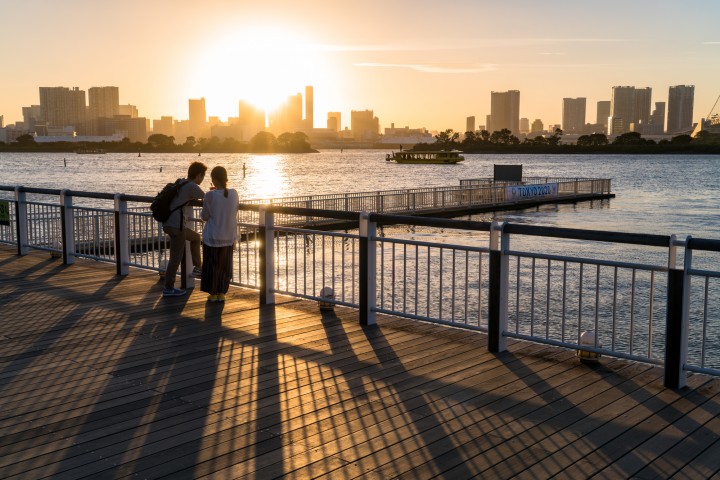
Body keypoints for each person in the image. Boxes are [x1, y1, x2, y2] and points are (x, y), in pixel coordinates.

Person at [162, 161, 207, 297]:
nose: (203, 179)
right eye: (203, 176)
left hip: (169, 222)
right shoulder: (192, 186)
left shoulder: (181, 182)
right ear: (199, 175)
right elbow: (207, 198)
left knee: (196, 237)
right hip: (177, 225)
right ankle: (168, 288)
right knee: (175, 258)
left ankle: (197, 268)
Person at [200, 166, 239, 302]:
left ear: (215, 180)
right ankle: (222, 293)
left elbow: (204, 216)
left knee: (212, 266)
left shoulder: (209, 195)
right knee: (224, 267)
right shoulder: (234, 193)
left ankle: (213, 293)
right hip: (228, 237)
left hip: (212, 236)